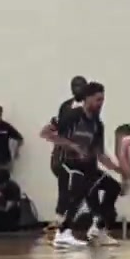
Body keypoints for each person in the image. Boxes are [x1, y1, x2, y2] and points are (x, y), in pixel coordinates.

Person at [42, 82, 121, 249]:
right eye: (98, 100)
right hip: (67, 163)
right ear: (87, 99)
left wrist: (119, 169)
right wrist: (72, 146)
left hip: (86, 167)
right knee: (79, 189)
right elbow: (46, 133)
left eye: (103, 100)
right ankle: (63, 233)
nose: (101, 104)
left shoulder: (97, 124)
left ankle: (98, 229)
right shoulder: (72, 116)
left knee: (113, 187)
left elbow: (99, 153)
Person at [41, 75, 87, 228]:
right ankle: (60, 217)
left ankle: (72, 216)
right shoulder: (66, 105)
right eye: (74, 86)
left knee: (78, 186)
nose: (77, 89)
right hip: (64, 151)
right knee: (64, 184)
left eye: (80, 85)